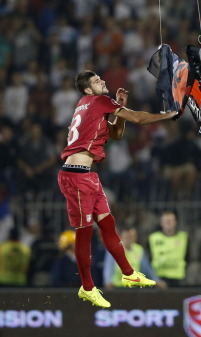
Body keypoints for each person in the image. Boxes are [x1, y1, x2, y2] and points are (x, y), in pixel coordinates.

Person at [57, 70, 179, 308]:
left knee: (108, 223)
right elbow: (139, 119)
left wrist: (120, 108)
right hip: (75, 176)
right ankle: (88, 288)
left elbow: (117, 133)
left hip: (88, 175)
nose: (102, 81)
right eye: (96, 81)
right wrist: (167, 114)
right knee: (84, 232)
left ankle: (128, 273)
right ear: (88, 90)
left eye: (100, 78)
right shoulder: (99, 100)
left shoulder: (87, 104)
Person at [148, 211, 189, 287]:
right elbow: (148, 257)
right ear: (161, 223)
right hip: (159, 277)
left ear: (175, 222)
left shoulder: (183, 237)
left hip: (178, 277)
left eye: (170, 220)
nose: (168, 223)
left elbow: (188, 256)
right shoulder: (153, 238)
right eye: (166, 221)